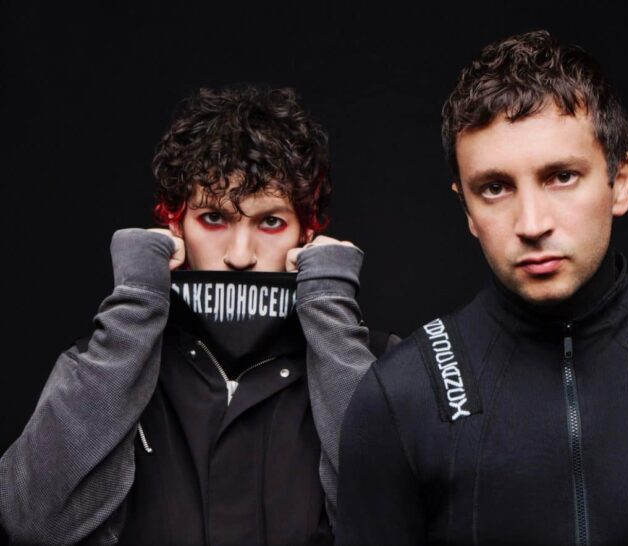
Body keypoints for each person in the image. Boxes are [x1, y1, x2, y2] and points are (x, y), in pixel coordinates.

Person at [336, 30, 628, 545]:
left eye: (561, 176)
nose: (532, 223)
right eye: (495, 188)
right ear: (466, 207)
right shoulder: (399, 396)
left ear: (620, 181)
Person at [0, 85, 391, 544]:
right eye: (213, 219)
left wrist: (329, 306)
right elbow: (31, 522)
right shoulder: (108, 362)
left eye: (270, 222)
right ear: (174, 224)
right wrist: (135, 303)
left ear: (306, 233)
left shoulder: (377, 363)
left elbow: (395, 521)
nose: (240, 255)